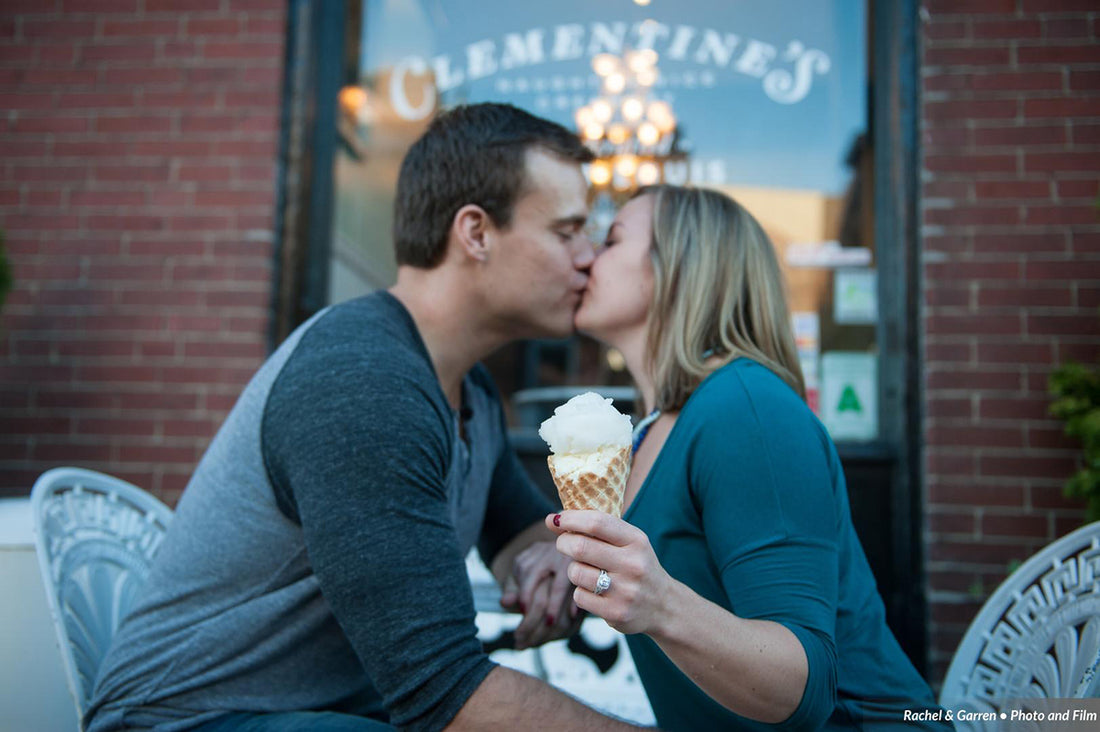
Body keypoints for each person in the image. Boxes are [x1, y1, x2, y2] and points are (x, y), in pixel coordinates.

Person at [84, 104, 649, 732]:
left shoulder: (471, 390)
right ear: (476, 233)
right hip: (187, 721)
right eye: (567, 232)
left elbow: (522, 532)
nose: (588, 256)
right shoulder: (363, 383)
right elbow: (446, 696)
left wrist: (556, 558)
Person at [547, 185, 953, 731]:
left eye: (612, 240)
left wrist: (661, 605)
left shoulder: (745, 409)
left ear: (680, 267)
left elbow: (804, 687)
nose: (587, 258)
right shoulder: (654, 427)